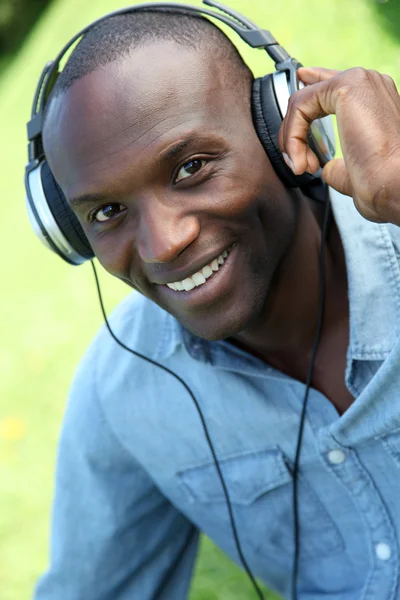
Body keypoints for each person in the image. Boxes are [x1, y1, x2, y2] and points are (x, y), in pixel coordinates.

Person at [33, 7, 400, 600]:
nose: (162, 243)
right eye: (106, 213)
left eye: (191, 167)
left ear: (282, 128)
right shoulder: (122, 395)